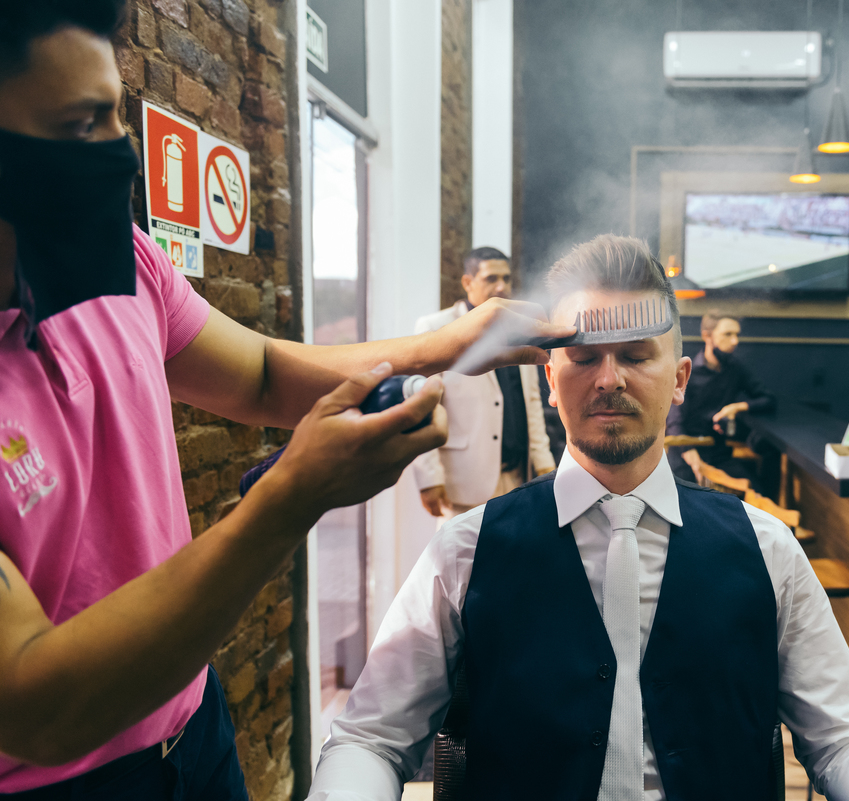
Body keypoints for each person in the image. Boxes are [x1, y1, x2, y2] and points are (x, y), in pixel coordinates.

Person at [0, 5, 573, 797]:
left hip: (194, 729)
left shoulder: (123, 263)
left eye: (117, 114)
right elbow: (34, 705)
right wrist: (290, 497)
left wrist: (447, 345)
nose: (122, 153)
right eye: (80, 125)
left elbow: (264, 373)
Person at [309, 235, 849, 801]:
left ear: (679, 379)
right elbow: (372, 739)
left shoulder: (768, 551)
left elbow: (842, 739)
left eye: (637, 354)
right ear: (549, 377)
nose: (610, 379)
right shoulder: (465, 550)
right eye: (585, 356)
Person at [413, 247, 556, 519]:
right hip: (465, 481)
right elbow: (422, 407)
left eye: (506, 278)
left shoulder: (521, 328)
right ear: (468, 282)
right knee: (463, 548)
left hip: (519, 477)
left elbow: (531, 400)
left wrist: (544, 463)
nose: (501, 286)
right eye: (491, 278)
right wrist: (429, 478)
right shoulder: (436, 326)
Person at [665, 311, 774, 490]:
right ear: (707, 336)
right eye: (727, 334)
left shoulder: (735, 369)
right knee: (685, 496)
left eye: (737, 335)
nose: (735, 341)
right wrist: (693, 459)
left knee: (755, 491)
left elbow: (768, 399)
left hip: (718, 453)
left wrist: (735, 407)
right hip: (686, 451)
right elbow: (675, 423)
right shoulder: (688, 372)